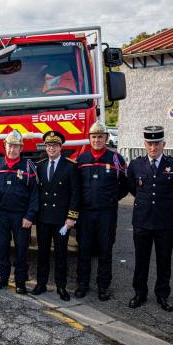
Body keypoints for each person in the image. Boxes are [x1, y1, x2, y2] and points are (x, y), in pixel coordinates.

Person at [126, 126, 173, 312]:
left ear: (163, 144)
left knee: (164, 259)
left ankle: (162, 295)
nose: (153, 147)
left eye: (157, 143)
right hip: (142, 220)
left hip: (165, 221)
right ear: (145, 144)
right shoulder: (135, 165)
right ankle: (139, 293)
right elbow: (133, 188)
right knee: (141, 259)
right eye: (150, 143)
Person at [75, 122, 128, 301]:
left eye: (100, 136)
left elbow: (125, 185)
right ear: (89, 139)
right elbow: (76, 188)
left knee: (105, 250)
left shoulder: (116, 159)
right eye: (94, 137)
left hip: (107, 213)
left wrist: (112, 199)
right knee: (84, 250)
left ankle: (103, 286)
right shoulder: (82, 160)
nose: (97, 140)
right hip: (85, 213)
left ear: (106, 138)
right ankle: (82, 284)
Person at [0, 130, 38, 294]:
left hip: (21, 216)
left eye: (16, 146)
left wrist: (30, 216)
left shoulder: (28, 166)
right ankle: (2, 279)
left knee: (22, 249)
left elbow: (35, 194)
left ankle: (20, 281)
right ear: (5, 146)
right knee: (1, 248)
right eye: (10, 146)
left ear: (21, 148)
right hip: (0, 215)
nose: (13, 149)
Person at [32, 131, 80, 300]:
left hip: (61, 220)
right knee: (42, 253)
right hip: (44, 218)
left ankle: (61, 287)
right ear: (45, 147)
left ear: (61, 147)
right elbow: (35, 192)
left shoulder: (70, 166)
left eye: (54, 145)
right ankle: (41, 283)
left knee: (61, 254)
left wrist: (71, 218)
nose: (51, 148)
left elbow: (75, 194)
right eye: (48, 145)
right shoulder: (39, 165)